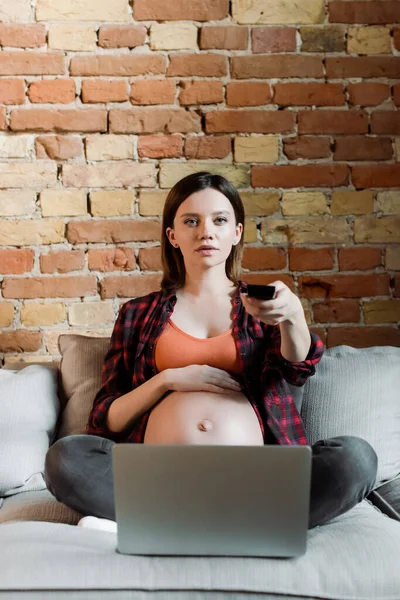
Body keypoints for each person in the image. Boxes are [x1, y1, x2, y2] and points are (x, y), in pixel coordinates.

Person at [45, 171, 378, 533]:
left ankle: (161, 521)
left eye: (220, 220)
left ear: (236, 232)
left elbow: (297, 366)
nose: (206, 231)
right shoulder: (137, 314)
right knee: (65, 458)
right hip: (157, 478)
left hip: (256, 480)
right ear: (173, 235)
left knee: (356, 458)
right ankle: (237, 524)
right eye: (191, 221)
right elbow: (106, 418)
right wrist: (168, 380)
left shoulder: (264, 306)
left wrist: (293, 316)